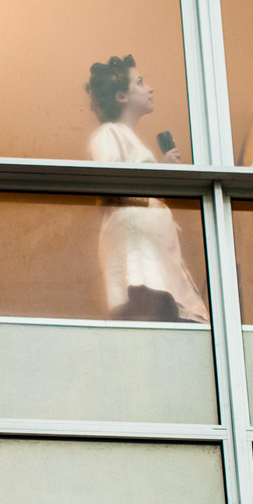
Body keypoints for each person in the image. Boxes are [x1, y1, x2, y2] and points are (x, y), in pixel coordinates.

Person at [85, 55, 209, 323]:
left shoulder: (129, 141)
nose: (149, 88)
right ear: (121, 96)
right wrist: (158, 173)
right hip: (138, 252)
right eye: (140, 82)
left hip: (152, 249)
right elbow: (112, 183)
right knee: (149, 308)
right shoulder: (109, 134)